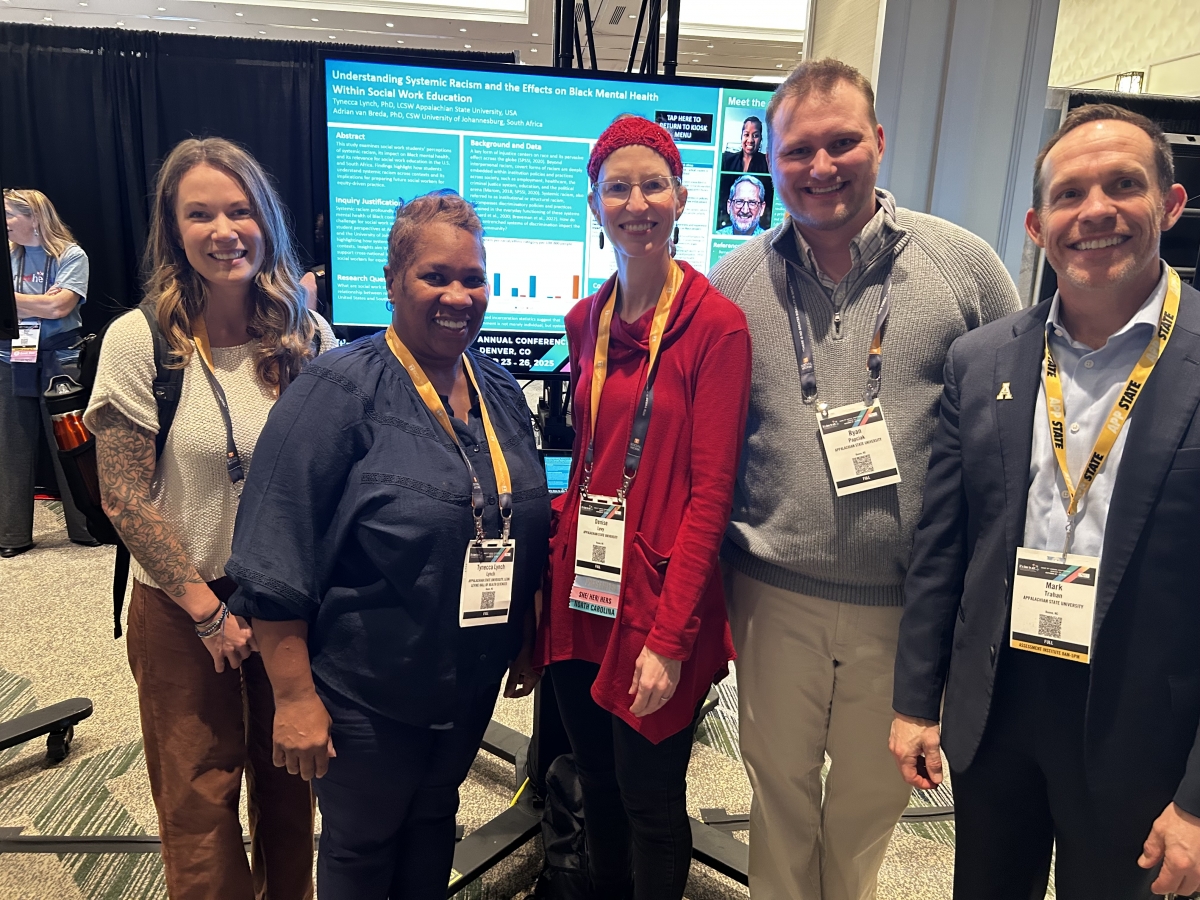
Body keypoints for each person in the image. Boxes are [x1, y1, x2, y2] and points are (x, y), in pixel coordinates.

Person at [707, 58, 1021, 900]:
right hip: (772, 597)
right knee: (776, 797)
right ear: (769, 161)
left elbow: (1014, 430)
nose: (821, 167)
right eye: (798, 149)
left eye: (842, 142)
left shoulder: (966, 267)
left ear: (879, 142)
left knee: (867, 808)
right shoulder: (734, 283)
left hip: (907, 609)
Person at [891, 104, 1200, 898]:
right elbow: (944, 546)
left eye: (1122, 185)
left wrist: (1198, 804)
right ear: (1037, 224)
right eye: (1070, 195)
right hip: (998, 707)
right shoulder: (981, 357)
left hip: (1142, 727)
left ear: (1170, 204)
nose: (1094, 210)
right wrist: (915, 704)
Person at [224, 189, 550, 900]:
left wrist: (524, 633)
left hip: (466, 680)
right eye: (436, 276)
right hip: (366, 694)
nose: (458, 295)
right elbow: (278, 554)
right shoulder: (336, 392)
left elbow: (517, 520)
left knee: (434, 820)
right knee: (364, 845)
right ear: (394, 281)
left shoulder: (499, 391)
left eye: (473, 276)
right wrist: (295, 698)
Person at [85, 137, 333, 900]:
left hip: (287, 604)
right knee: (198, 795)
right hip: (183, 603)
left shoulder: (306, 336)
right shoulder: (140, 341)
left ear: (267, 222)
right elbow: (123, 494)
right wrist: (204, 611)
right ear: (174, 229)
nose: (224, 230)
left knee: (293, 786)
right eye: (201, 214)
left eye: (240, 210)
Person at [535, 115, 751, 900]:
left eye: (652, 184)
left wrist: (669, 638)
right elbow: (593, 457)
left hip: (660, 603)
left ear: (682, 197)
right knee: (593, 778)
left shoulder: (716, 327)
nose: (636, 202)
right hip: (583, 590)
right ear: (594, 205)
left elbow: (711, 494)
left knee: (650, 801)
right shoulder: (584, 320)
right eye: (617, 188)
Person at [1, 189, 95, 556]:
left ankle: (86, 527)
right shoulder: (8, 257)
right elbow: (47, 304)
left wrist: (17, 302)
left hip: (62, 359)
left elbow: (59, 307)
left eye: (8, 215)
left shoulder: (72, 256)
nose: (4, 223)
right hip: (10, 359)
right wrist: (38, 303)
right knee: (11, 447)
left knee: (70, 444)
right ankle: (11, 536)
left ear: (34, 217)